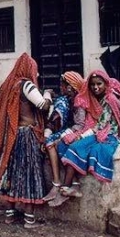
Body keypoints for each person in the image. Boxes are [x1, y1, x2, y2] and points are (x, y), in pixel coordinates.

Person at [0, 54, 53, 228]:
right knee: (29, 175)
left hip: (11, 137)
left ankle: (9, 216)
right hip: (26, 136)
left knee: (10, 174)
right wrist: (47, 94)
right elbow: (43, 106)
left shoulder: (7, 86)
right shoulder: (26, 85)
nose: (37, 74)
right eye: (35, 70)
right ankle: (29, 220)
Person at [51, 71, 120, 207]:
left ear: (106, 84)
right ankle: (74, 185)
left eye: (99, 84)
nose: (95, 87)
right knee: (64, 144)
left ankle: (65, 188)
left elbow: (102, 125)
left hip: (107, 134)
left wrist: (80, 136)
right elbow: (88, 122)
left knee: (76, 146)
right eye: (92, 84)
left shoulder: (110, 99)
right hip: (94, 130)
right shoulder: (91, 98)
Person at [42, 71, 85, 202]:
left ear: (70, 87)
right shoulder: (68, 99)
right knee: (50, 141)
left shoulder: (79, 101)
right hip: (71, 129)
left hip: (80, 130)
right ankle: (57, 183)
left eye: (63, 85)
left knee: (51, 142)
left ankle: (57, 184)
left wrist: (62, 136)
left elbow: (80, 125)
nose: (61, 87)